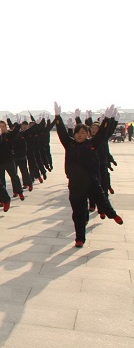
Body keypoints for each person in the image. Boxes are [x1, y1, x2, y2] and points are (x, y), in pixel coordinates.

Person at [53, 102, 122, 247]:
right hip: (75, 184)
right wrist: (57, 117)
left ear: (88, 134)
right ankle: (80, 239)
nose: (80, 135)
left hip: (91, 181)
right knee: (77, 213)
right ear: (74, 134)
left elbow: (103, 134)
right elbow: (61, 132)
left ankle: (112, 215)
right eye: (78, 133)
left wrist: (107, 120)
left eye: (83, 133)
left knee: (102, 201)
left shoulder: (92, 144)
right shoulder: (69, 144)